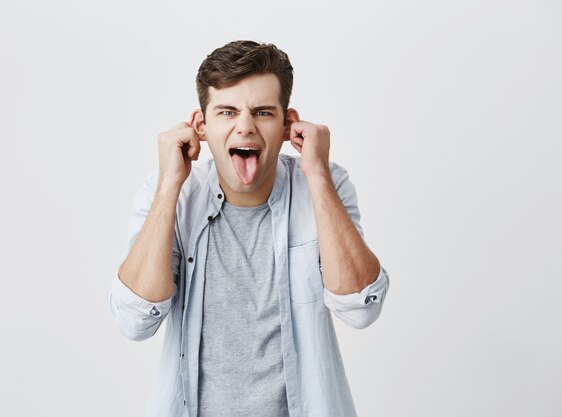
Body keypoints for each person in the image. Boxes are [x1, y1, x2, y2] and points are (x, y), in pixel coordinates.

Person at [109, 40, 390, 417]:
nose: (245, 127)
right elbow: (134, 321)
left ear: (288, 124)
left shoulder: (325, 185)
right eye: (227, 112)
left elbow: (360, 309)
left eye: (262, 112)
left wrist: (318, 174)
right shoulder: (168, 194)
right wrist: (169, 186)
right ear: (201, 126)